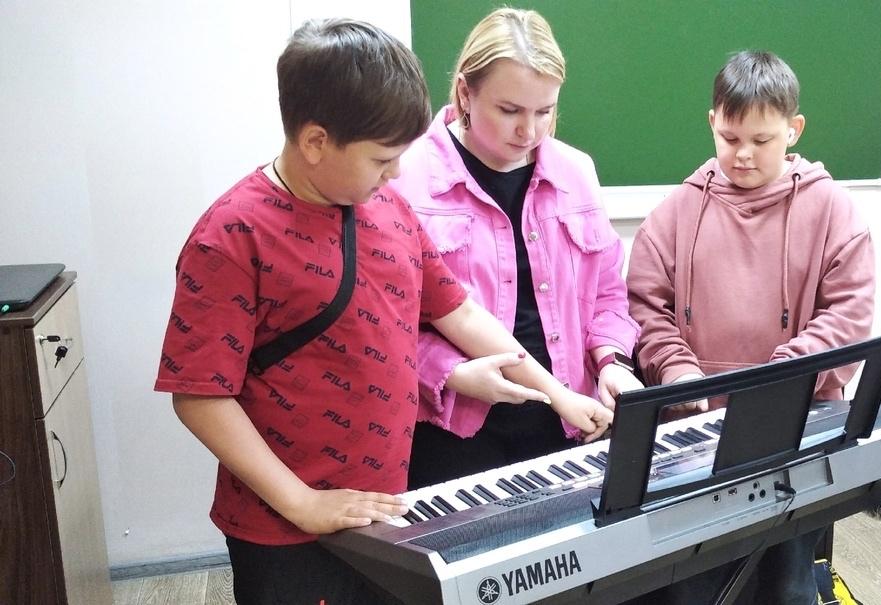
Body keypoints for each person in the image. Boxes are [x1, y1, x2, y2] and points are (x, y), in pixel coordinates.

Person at [154, 19, 610, 604]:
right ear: (316, 142)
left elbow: (460, 315)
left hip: (391, 510)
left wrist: (556, 393)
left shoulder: (389, 208)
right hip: (285, 530)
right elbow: (199, 396)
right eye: (381, 158)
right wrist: (302, 503)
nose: (396, 173)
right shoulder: (232, 235)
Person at [626, 50, 875, 604]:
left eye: (761, 140)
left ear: (794, 129)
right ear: (712, 121)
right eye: (730, 137)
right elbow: (644, 307)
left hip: (798, 433)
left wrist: (780, 382)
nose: (742, 154)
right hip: (695, 440)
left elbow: (849, 316)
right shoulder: (676, 212)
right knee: (692, 587)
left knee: (786, 587)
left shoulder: (834, 211)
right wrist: (677, 369)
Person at [391, 7, 641, 490]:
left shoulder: (576, 172)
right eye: (510, 111)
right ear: (465, 92)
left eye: (544, 111)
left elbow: (607, 293)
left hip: (567, 419)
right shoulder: (405, 176)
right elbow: (384, 322)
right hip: (454, 429)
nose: (529, 131)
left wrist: (611, 362)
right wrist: (451, 372)